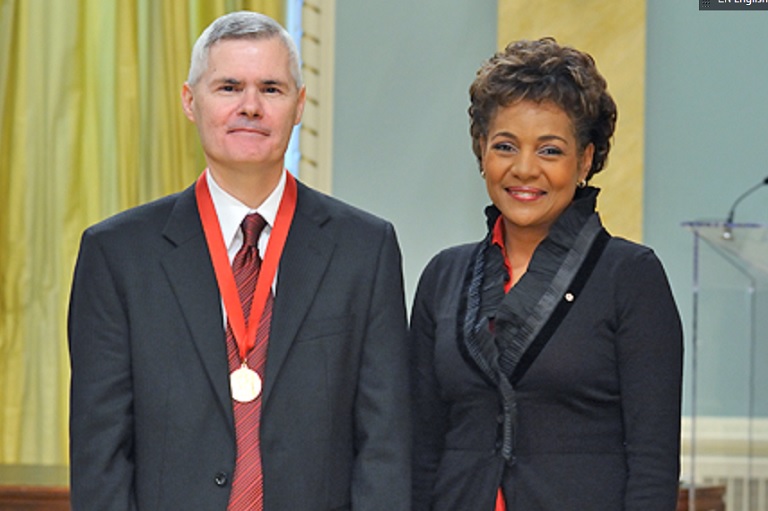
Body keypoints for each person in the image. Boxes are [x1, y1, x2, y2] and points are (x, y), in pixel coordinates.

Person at [68, 11, 410, 511]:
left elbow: (385, 448)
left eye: (270, 89)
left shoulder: (365, 249)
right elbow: (101, 456)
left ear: (298, 105)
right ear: (191, 101)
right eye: (229, 87)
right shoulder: (117, 254)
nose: (250, 106)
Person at [410, 38, 683, 510]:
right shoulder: (443, 276)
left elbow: (653, 465)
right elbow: (420, 449)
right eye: (505, 146)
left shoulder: (632, 277)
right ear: (481, 152)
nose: (524, 169)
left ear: (585, 160)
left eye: (550, 151)